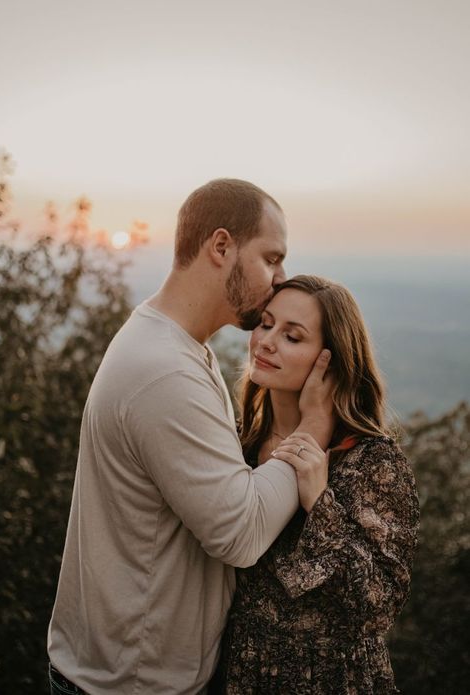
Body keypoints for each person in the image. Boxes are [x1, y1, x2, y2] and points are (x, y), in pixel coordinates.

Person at [47, 180, 334, 695]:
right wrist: (312, 428)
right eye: (271, 258)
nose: (280, 278)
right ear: (221, 247)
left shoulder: (174, 347)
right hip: (130, 684)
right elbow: (241, 534)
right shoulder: (165, 371)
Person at [213, 275, 420, 694]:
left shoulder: (371, 460)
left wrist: (319, 505)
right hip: (238, 679)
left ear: (332, 360)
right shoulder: (235, 446)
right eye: (266, 324)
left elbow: (378, 606)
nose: (267, 342)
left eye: (292, 336)